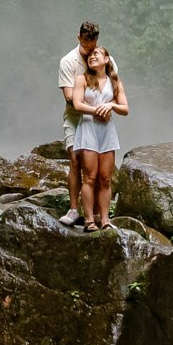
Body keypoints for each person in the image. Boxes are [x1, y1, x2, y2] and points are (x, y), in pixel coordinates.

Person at [58, 22, 115, 226]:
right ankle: (74, 209)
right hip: (75, 118)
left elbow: (114, 85)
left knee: (99, 170)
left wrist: (108, 106)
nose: (90, 51)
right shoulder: (68, 61)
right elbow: (69, 97)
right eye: (86, 44)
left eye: (94, 45)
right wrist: (89, 101)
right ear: (79, 38)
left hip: (98, 121)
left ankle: (100, 214)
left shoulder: (103, 57)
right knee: (75, 160)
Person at [67, 44, 128, 230]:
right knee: (90, 177)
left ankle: (105, 220)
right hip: (87, 129)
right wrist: (97, 110)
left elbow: (125, 108)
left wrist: (111, 106)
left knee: (105, 178)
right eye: (90, 55)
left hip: (107, 132)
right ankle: (89, 221)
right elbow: (77, 104)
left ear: (106, 59)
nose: (92, 56)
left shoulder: (115, 81)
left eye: (97, 54)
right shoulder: (82, 79)